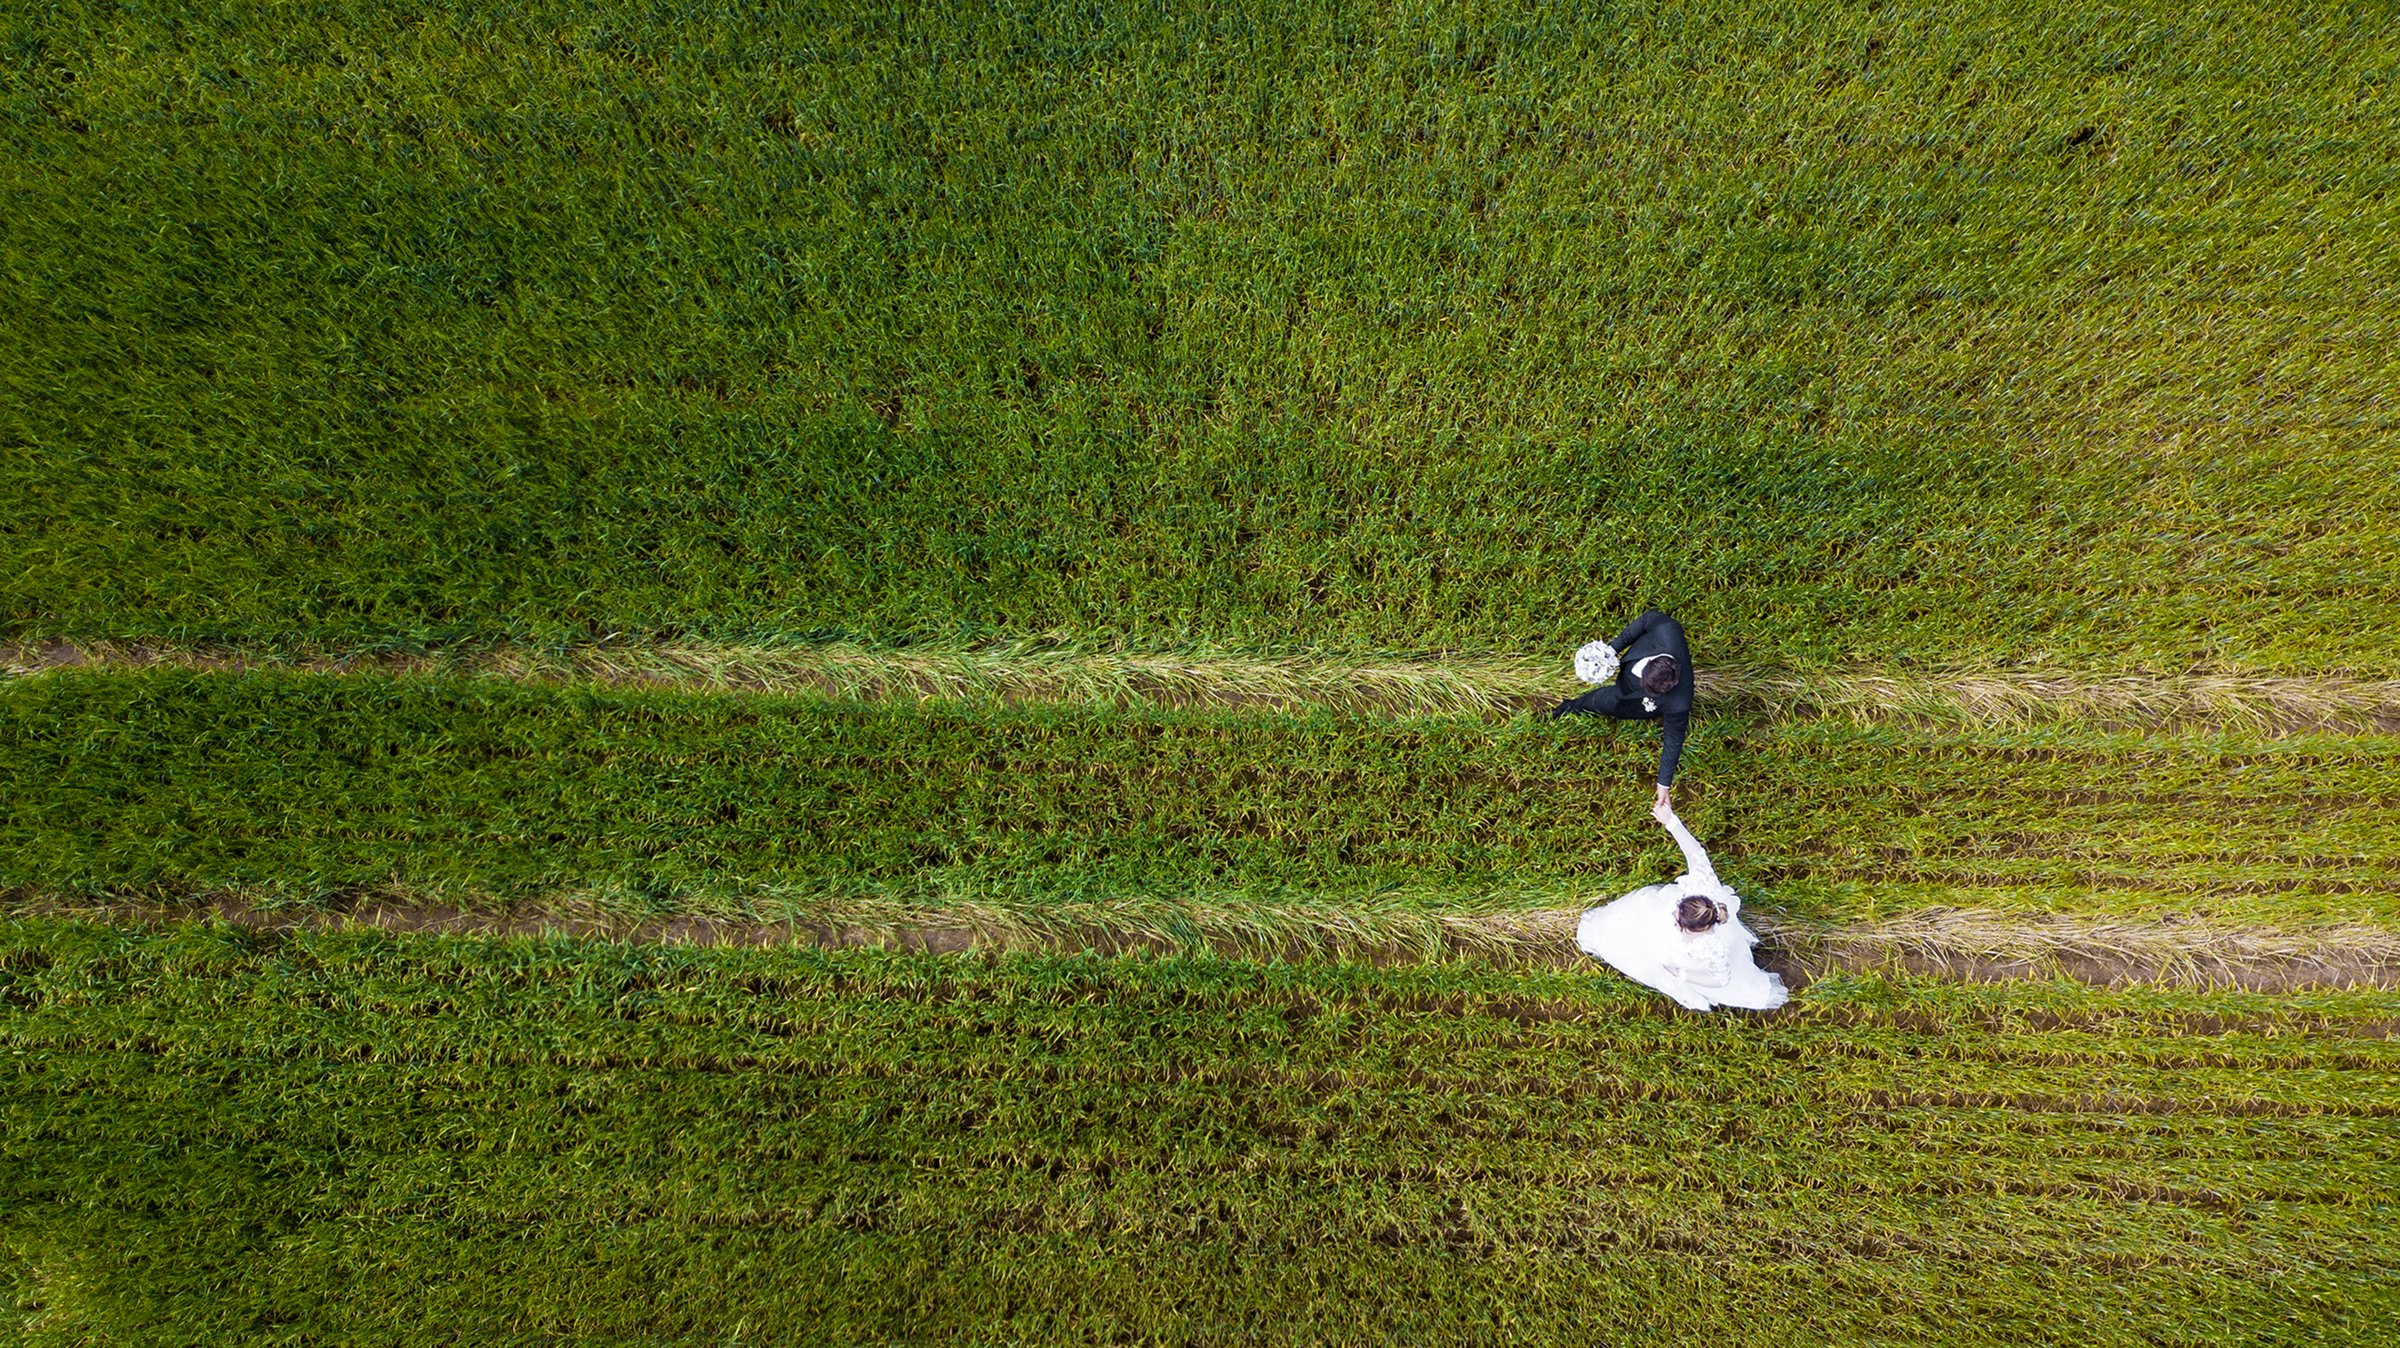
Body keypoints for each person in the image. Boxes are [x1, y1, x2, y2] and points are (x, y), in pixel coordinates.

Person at [1575, 799, 1788, 1012]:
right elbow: (1696, 853)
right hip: (1657, 914)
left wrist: (1681, 974)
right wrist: (1671, 821)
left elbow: (1721, 979)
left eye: (1678, 921)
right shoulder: (1705, 886)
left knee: (1644, 953)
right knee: (1636, 909)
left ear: (1694, 929)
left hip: (1679, 955)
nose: (1673, 918)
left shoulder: (1711, 947)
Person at [1545, 608, 1693, 811]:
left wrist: (1663, 785)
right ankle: (1566, 709)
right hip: (1626, 678)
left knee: (1605, 703)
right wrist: (1612, 650)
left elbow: (1673, 742)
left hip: (1635, 703)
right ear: (1651, 661)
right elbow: (1645, 621)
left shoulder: (1679, 701)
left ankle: (1580, 706)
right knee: (1590, 701)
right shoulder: (1667, 629)